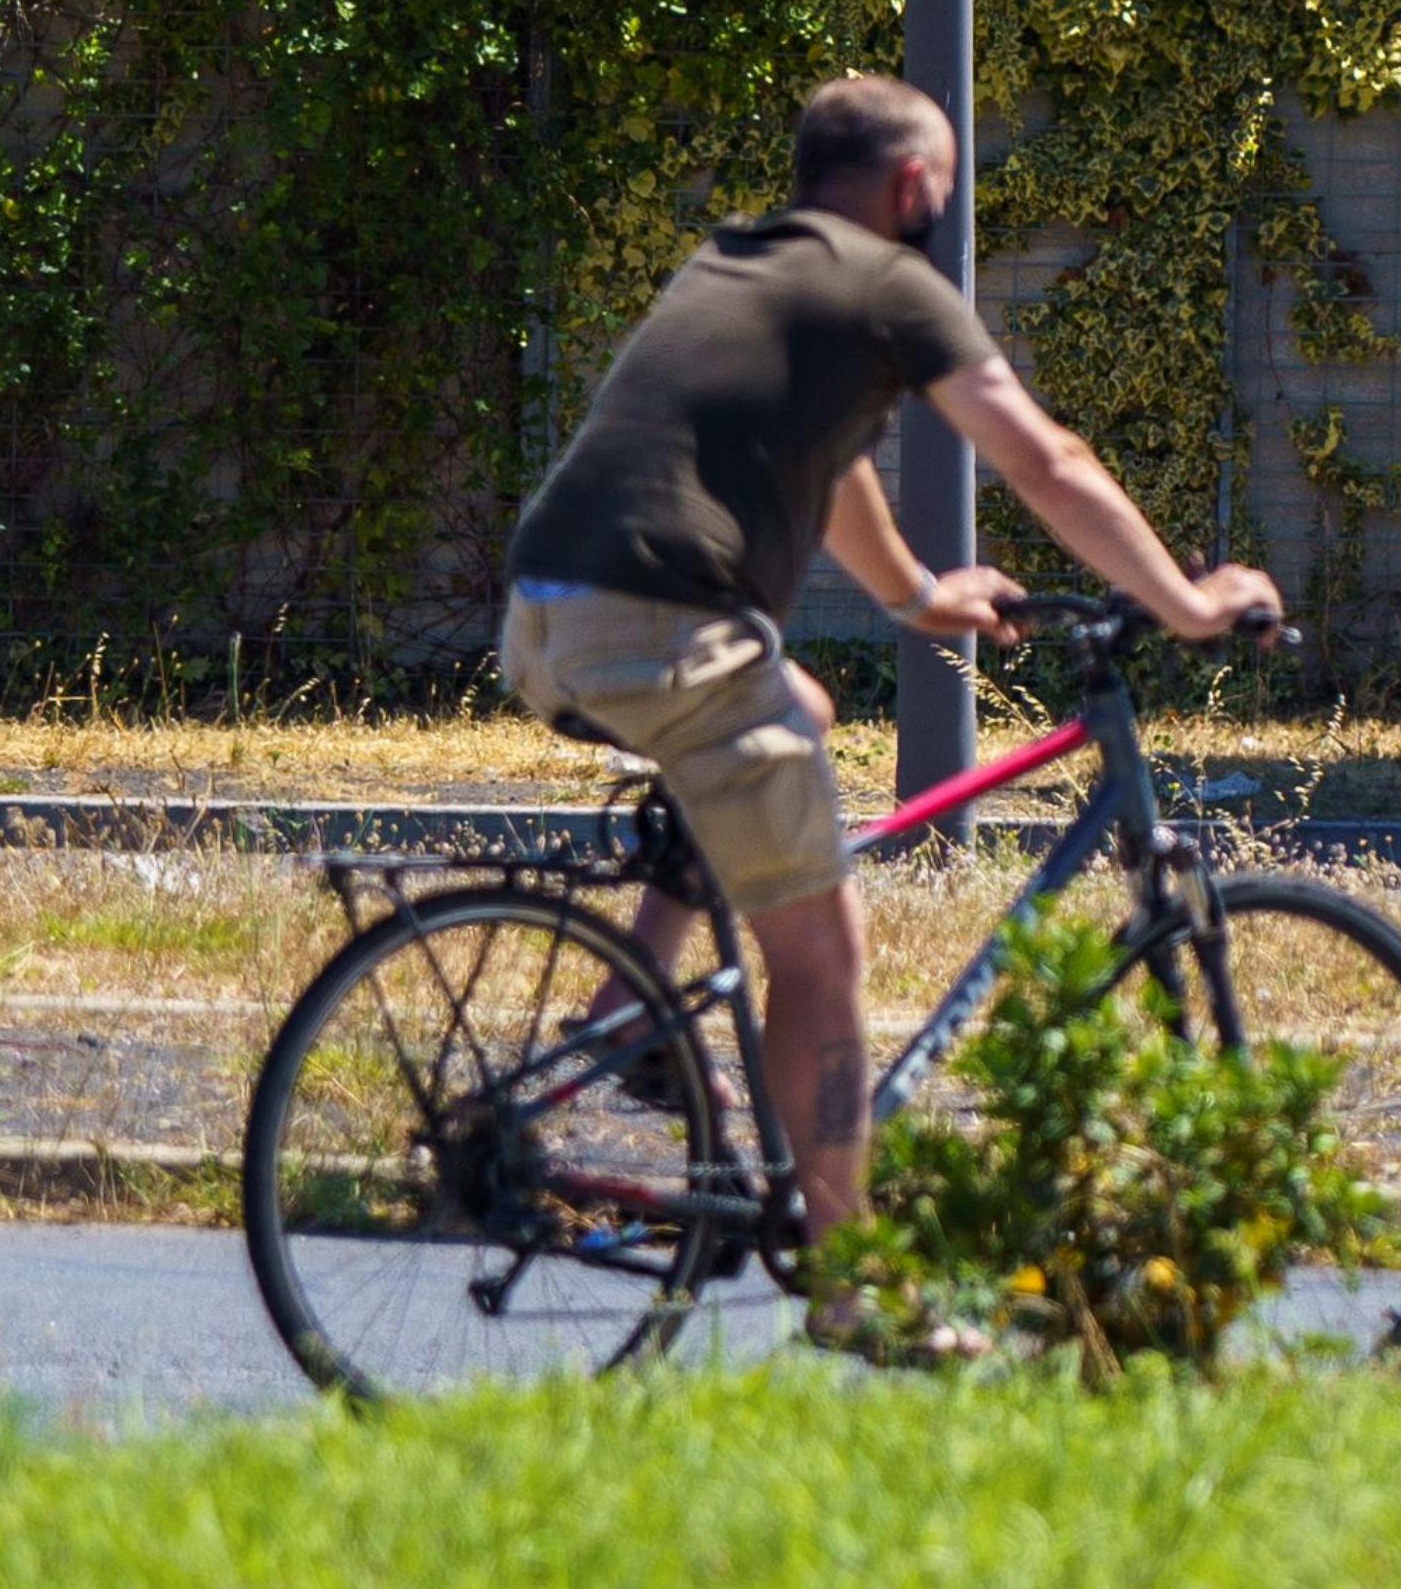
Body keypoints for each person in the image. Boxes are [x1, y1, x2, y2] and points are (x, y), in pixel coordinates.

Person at [499, 74, 1281, 1352]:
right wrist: (1189, 604)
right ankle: (856, 1292)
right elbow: (1045, 458)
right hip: (659, 620)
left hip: (549, 610)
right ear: (915, 185)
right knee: (823, 957)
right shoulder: (886, 281)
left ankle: (626, 1007)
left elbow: (837, 462)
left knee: (787, 699)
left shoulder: (748, 262)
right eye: (951, 186)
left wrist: (919, 595)